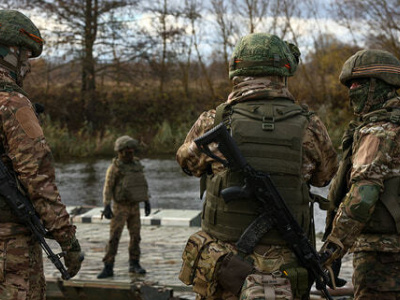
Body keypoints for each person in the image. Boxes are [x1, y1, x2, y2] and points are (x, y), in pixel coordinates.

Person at [176, 33, 338, 300]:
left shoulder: (214, 121)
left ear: (237, 71)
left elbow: (187, 163)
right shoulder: (310, 125)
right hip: (285, 269)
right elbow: (325, 177)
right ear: (284, 71)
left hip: (224, 265)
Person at [0, 10, 82, 299]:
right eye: (25, 56)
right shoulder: (12, 104)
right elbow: (39, 181)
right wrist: (68, 242)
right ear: (10, 54)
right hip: (10, 249)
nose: (28, 67)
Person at [320, 49, 400, 299]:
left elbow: (362, 197)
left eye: (359, 83)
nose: (352, 90)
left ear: (380, 85)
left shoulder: (378, 131)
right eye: (350, 84)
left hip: (382, 256)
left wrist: (330, 251)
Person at [97, 135, 151, 278]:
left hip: (134, 206)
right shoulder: (115, 168)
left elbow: (142, 184)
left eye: (132, 150)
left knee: (136, 237)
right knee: (114, 237)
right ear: (120, 151)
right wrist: (107, 205)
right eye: (127, 150)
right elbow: (108, 187)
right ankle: (108, 266)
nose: (130, 153)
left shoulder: (136, 165)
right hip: (120, 207)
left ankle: (134, 263)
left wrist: (146, 201)